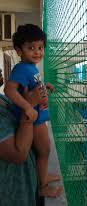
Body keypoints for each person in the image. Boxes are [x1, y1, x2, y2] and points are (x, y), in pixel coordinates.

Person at [4, 24, 61, 197]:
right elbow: (9, 90)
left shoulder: (30, 67)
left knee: (42, 151)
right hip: (34, 120)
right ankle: (42, 186)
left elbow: (33, 84)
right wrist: (28, 107)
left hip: (38, 116)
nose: (37, 52)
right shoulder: (21, 68)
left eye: (40, 48)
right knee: (44, 150)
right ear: (19, 50)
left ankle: (43, 176)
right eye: (31, 48)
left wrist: (45, 85)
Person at [0, 68, 46, 205]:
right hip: (12, 197)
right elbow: (18, 154)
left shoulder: (2, 99)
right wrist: (30, 105)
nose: (0, 69)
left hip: (27, 191)